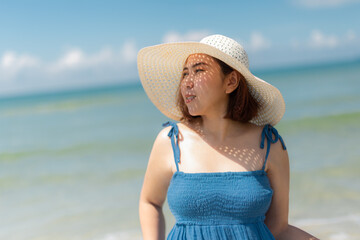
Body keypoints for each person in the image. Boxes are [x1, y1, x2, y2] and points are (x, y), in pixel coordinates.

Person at [138, 34, 318, 240]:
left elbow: (278, 228)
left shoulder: (269, 144)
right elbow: (149, 201)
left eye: (198, 71)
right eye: (185, 73)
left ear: (231, 81)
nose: (187, 82)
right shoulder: (171, 141)